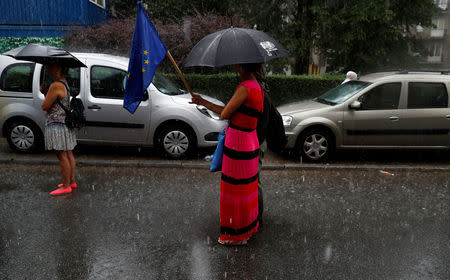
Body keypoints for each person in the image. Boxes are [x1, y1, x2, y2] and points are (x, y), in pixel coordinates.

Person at [191, 63, 263, 245]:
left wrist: (203, 102)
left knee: (233, 189)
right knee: (246, 188)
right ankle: (245, 230)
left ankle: (234, 235)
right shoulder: (257, 86)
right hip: (250, 141)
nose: (234, 66)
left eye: (237, 64)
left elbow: (225, 113)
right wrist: (202, 101)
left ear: (243, 66)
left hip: (238, 142)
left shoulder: (244, 87)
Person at [41, 64, 77, 196]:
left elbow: (45, 106)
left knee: (61, 156)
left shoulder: (55, 85)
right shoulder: (64, 83)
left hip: (56, 125)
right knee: (68, 153)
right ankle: (71, 182)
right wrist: (46, 92)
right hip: (65, 123)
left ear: (57, 68)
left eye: (50, 67)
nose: (48, 69)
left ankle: (66, 186)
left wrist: (46, 94)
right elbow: (57, 100)